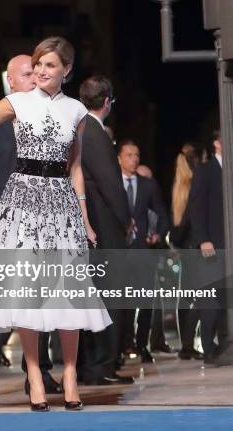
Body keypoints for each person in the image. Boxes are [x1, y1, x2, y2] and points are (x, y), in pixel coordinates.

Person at [0, 37, 111, 412]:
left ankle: (71, 375)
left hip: (61, 205)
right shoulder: (16, 102)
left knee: (66, 293)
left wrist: (85, 218)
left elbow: (74, 168)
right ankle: (36, 378)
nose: (41, 72)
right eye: (38, 65)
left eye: (49, 66)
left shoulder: (76, 111)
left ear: (66, 71)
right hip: (22, 204)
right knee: (25, 289)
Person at [0, 54, 60, 399]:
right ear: (11, 81)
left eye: (39, 72)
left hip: (40, 226)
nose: (36, 78)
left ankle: (39, 373)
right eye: (28, 73)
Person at [77, 76, 134, 386]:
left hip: (95, 223)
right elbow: (111, 184)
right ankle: (101, 366)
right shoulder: (94, 132)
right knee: (108, 294)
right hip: (103, 225)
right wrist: (127, 219)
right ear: (108, 101)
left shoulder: (84, 127)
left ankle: (98, 364)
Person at [117, 140, 169, 363]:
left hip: (143, 251)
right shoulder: (112, 184)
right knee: (123, 301)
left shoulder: (148, 185)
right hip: (119, 251)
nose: (134, 159)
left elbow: (162, 215)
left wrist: (157, 234)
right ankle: (124, 344)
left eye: (137, 154)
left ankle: (142, 344)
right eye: (129, 155)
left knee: (146, 301)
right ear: (119, 158)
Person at [188, 131, 227, 365]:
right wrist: (203, 239)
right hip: (212, 244)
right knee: (211, 299)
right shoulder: (205, 170)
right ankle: (209, 349)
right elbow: (196, 206)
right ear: (216, 143)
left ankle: (225, 344)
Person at [169, 143, 203, 360]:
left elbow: (179, 222)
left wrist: (175, 241)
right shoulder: (196, 185)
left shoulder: (178, 187)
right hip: (197, 247)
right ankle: (189, 344)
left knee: (187, 297)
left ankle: (187, 344)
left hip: (186, 248)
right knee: (201, 296)